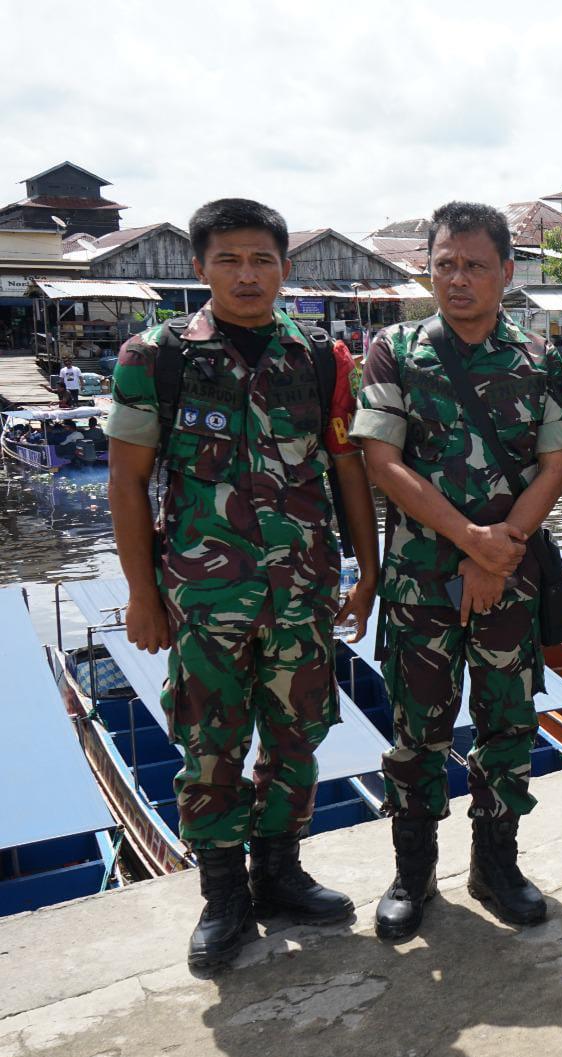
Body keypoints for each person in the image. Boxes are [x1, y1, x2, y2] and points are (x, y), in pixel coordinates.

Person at [105, 198, 380, 972]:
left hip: (302, 592)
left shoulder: (322, 358)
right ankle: (223, 895)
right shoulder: (155, 358)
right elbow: (127, 483)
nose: (247, 275)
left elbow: (348, 469)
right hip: (204, 597)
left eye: (262, 260)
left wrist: (368, 572)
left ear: (286, 268)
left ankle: (280, 873)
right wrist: (141, 594)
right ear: (200, 267)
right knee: (209, 745)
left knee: (298, 738)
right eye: (228, 260)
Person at [351, 202, 562, 940]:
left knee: (508, 723)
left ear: (506, 271)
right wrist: (473, 542)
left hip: (509, 576)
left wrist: (501, 545)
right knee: (418, 731)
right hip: (421, 583)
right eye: (444, 264)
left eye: (475, 265)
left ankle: (496, 864)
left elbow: (556, 464)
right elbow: (382, 462)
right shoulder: (395, 350)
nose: (457, 279)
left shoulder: (538, 359)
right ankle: (413, 874)